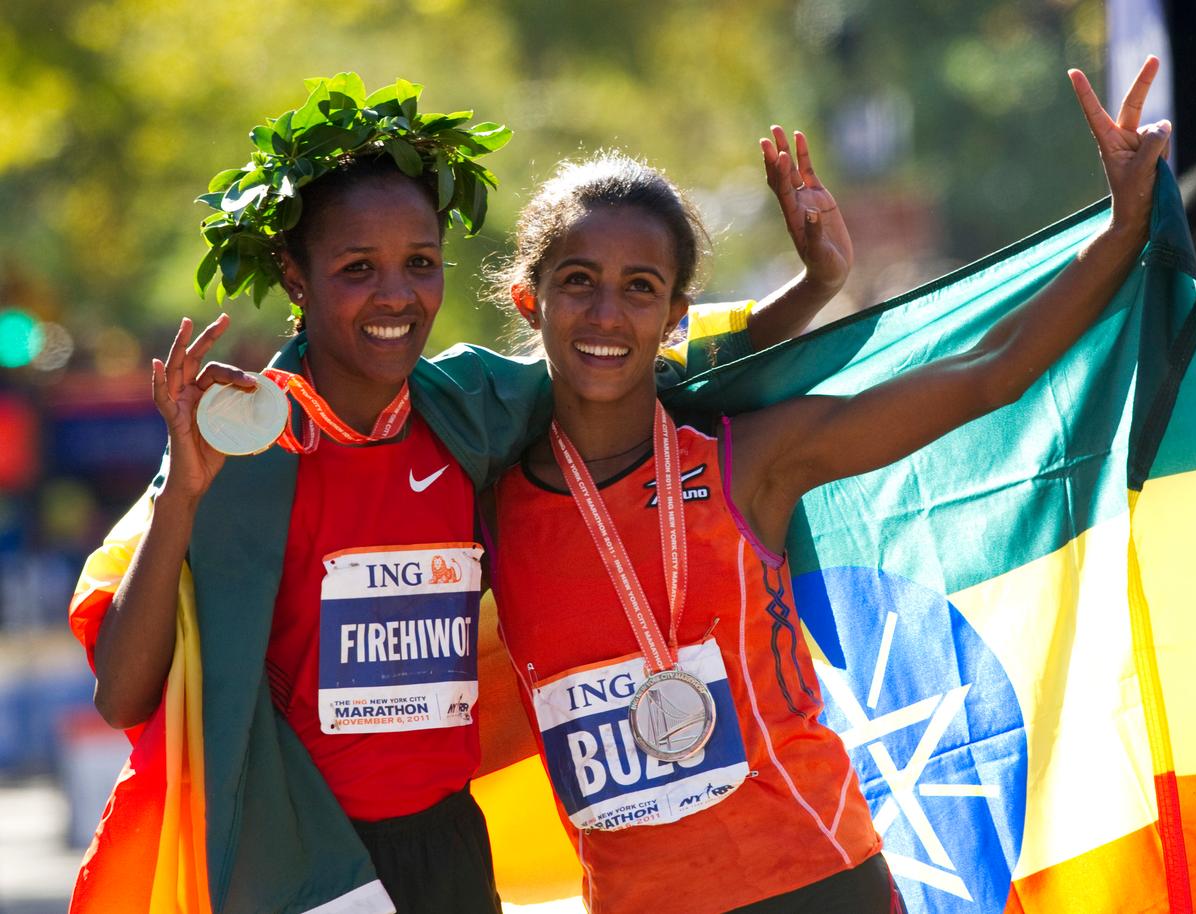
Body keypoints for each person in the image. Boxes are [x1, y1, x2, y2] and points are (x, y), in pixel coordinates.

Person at [67, 74, 854, 914]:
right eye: (357, 268)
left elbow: (637, 366)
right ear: (295, 275)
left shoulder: (472, 408)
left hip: (447, 851)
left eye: (420, 264)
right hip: (298, 857)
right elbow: (122, 694)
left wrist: (814, 286)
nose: (396, 296)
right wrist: (183, 496)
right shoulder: (240, 445)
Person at [484, 58, 1169, 914]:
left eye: (641, 290)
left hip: (816, 883)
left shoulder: (750, 460)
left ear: (675, 320)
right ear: (527, 300)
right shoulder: (488, 497)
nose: (606, 316)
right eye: (577, 283)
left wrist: (1124, 221)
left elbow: (988, 374)